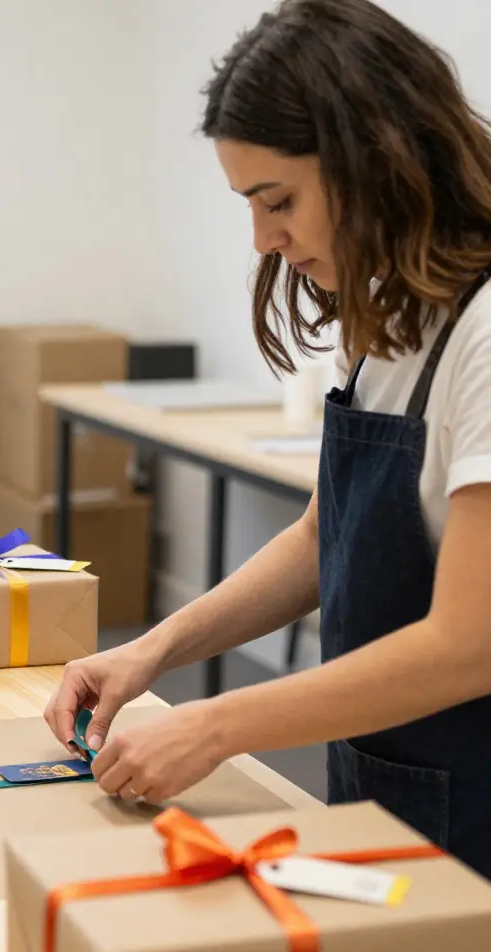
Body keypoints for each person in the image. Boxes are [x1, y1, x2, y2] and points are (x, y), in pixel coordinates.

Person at [45, 0, 491, 877]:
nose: (265, 240)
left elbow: (469, 643)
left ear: (378, 160)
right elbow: (325, 536)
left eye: (278, 201)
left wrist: (217, 723)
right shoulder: (390, 315)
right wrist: (153, 651)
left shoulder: (483, 332)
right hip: (391, 783)